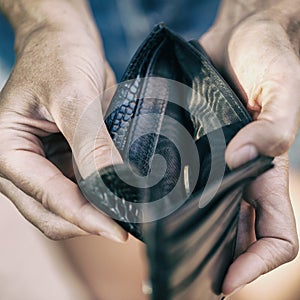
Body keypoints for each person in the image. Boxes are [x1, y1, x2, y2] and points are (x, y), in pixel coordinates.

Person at [0, 0, 299, 297]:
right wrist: (43, 21)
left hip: (225, 57)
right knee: (125, 274)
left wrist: (263, 12)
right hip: (75, 59)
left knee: (265, 269)